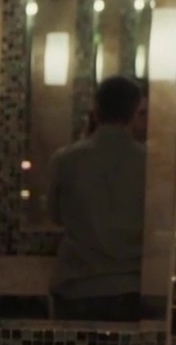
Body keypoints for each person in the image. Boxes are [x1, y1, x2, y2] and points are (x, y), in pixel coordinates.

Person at [48, 76, 149, 322]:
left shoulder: (66, 159)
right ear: (135, 111)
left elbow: (55, 216)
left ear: (95, 109)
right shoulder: (150, 163)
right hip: (129, 285)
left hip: (76, 285)